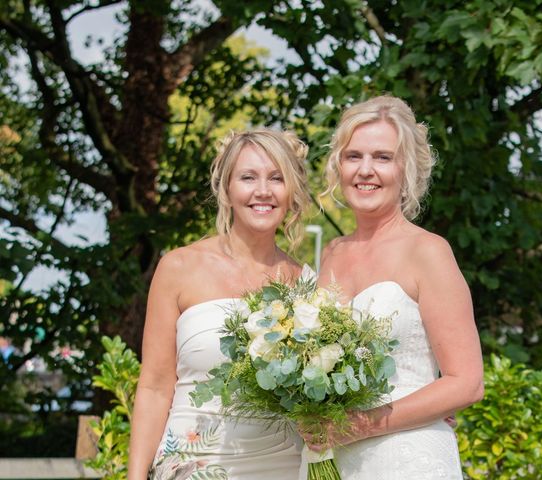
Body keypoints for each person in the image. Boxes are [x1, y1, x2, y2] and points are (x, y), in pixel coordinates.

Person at [306, 96, 484, 479]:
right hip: (337, 461)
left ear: (407, 169)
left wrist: (356, 425)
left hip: (409, 456)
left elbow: (467, 383)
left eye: (383, 157)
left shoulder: (429, 252)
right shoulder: (332, 254)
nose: (365, 170)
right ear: (339, 165)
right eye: (354, 156)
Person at [128, 129, 310, 479]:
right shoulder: (178, 268)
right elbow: (153, 386)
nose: (263, 191)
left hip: (281, 466)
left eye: (276, 178)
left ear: (291, 192)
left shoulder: (306, 285)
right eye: (248, 177)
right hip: (193, 462)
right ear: (226, 188)